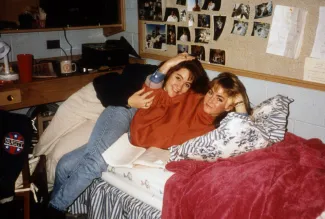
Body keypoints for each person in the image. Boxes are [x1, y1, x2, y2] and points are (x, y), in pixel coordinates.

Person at [48, 53, 210, 217]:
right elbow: (107, 83)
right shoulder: (148, 77)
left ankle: (52, 205)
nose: (179, 86)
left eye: (186, 84)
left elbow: (209, 106)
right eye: (177, 78)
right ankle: (54, 210)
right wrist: (128, 101)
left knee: (65, 164)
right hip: (123, 110)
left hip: (130, 133)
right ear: (168, 72)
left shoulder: (182, 99)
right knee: (95, 163)